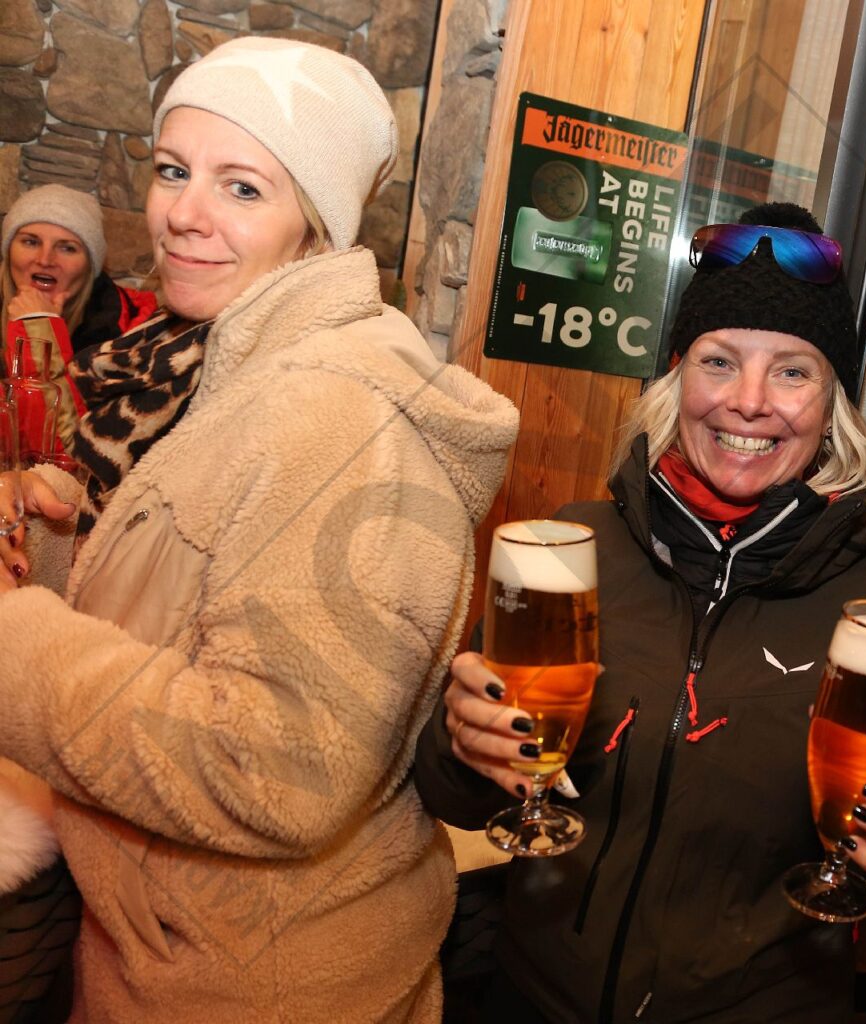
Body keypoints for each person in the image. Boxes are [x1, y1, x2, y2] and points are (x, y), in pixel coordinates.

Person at [0, 37, 518, 1023]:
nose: (183, 212)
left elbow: (276, 767)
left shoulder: (338, 420)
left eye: (242, 187)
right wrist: (60, 542)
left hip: (253, 986)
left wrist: (12, 640)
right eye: (173, 170)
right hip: (172, 955)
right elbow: (197, 610)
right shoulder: (234, 364)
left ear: (315, 223)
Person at [415, 203, 866, 1023]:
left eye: (792, 372)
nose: (749, 403)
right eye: (720, 362)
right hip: (531, 1000)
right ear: (677, 381)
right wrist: (463, 744)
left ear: (833, 405)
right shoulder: (569, 554)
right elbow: (454, 795)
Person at [1, 184, 157, 452]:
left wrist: (38, 327)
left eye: (67, 248)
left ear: (89, 265)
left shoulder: (131, 337)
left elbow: (69, 454)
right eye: (30, 242)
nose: (45, 259)